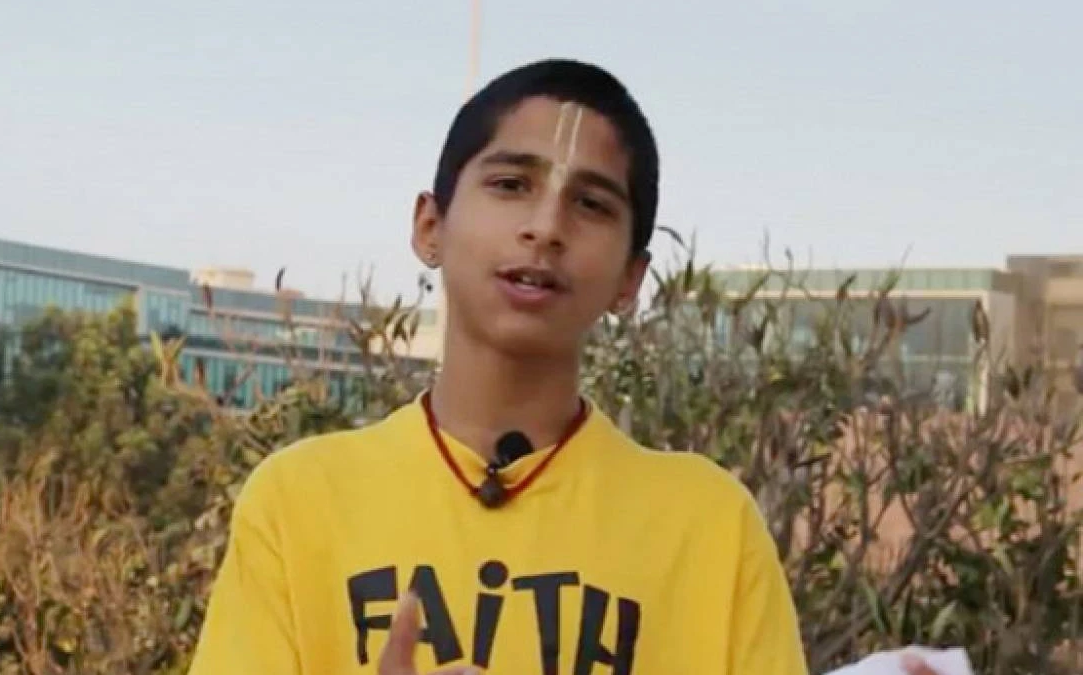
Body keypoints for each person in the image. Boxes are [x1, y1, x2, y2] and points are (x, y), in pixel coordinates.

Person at [189, 57, 810, 674]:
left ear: (630, 278)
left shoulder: (710, 528)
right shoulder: (300, 502)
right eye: (512, 185)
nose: (546, 228)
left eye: (591, 204)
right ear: (430, 225)